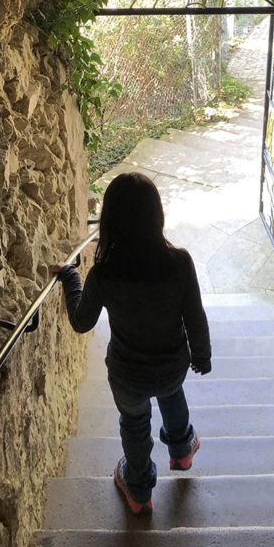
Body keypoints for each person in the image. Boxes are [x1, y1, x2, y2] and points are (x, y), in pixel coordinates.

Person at [50, 171, 211, 516]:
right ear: (157, 214)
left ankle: (138, 491)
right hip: (172, 365)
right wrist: (202, 355)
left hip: (128, 375)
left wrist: (70, 277)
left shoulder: (105, 274)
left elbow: (81, 322)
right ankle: (182, 450)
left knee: (135, 424)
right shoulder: (179, 262)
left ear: (110, 221)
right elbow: (194, 315)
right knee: (172, 394)